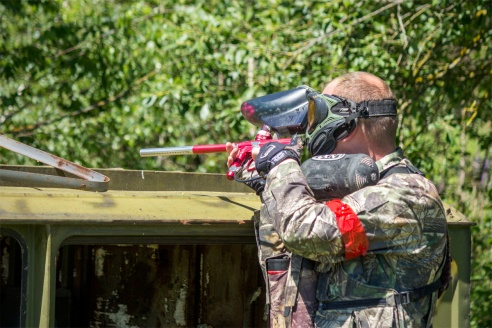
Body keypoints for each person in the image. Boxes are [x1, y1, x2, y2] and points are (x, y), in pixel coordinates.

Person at [226, 72, 449, 328]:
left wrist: (281, 166)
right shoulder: (353, 190)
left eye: (316, 114)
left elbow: (305, 231)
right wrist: (269, 186)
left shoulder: (406, 194)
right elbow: (301, 260)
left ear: (345, 122)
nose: (311, 127)